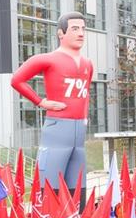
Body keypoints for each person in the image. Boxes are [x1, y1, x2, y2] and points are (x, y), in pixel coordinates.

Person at [11, 11, 93, 195]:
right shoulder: (48, 59)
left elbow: (86, 93)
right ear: (61, 34)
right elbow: (17, 79)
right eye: (74, 29)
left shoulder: (88, 64)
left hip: (79, 137)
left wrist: (85, 118)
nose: (80, 33)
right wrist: (41, 102)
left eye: (82, 29)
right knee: (50, 188)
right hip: (57, 131)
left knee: (78, 191)